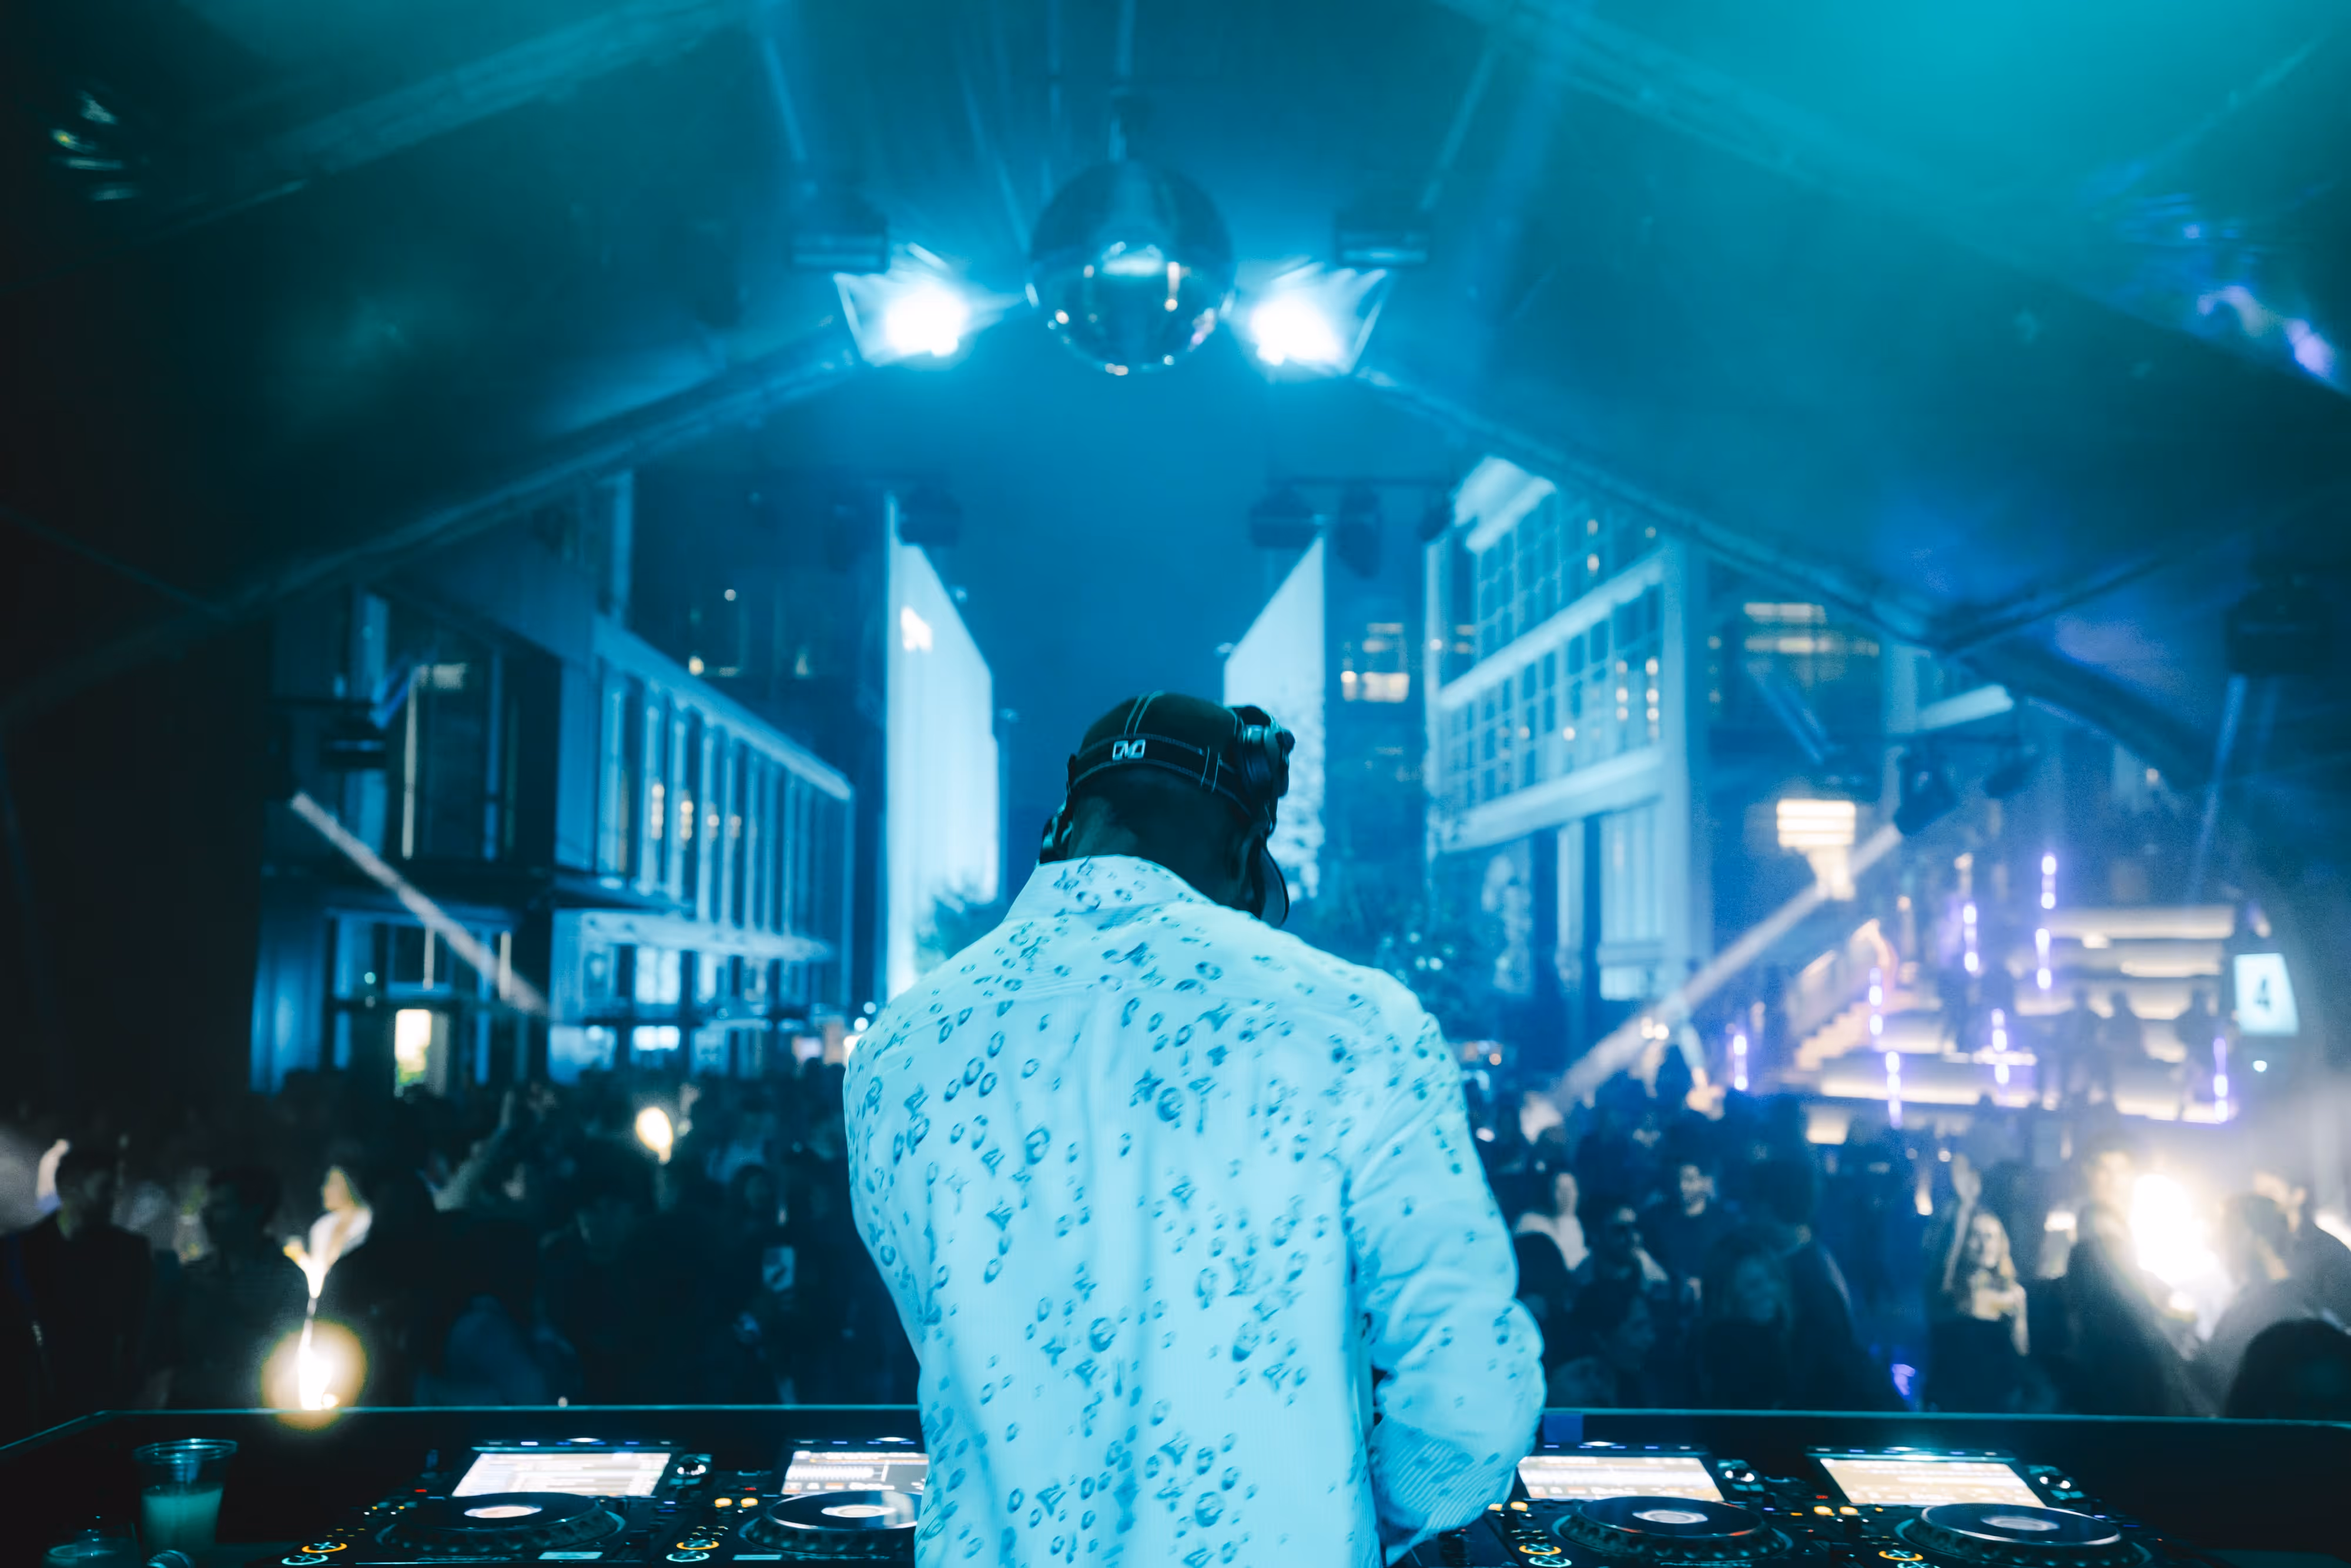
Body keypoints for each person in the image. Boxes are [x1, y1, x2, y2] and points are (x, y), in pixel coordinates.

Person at [845, 694, 1542, 1568]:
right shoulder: (1355, 1023)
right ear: (1250, 859)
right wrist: (1359, 1520)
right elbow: (1472, 1394)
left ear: (1062, 828)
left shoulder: (899, 1048)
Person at [6, 1144, 157, 1425]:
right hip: (32, 1404)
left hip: (103, 1404)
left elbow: (139, 1330)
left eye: (116, 1189)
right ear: (70, 1187)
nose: (114, 1198)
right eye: (105, 1187)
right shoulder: (19, 1252)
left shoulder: (130, 1252)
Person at [165, 1166, 309, 1408]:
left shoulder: (285, 1278)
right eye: (208, 1206)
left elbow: (276, 1354)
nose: (207, 1216)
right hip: (190, 1411)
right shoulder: (193, 1275)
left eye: (221, 1207)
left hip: (252, 1414)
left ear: (254, 1211)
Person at [1925, 1155, 2028, 1412]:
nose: (1985, 1245)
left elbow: (2020, 1358)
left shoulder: (2014, 1295)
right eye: (1976, 1236)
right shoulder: (1947, 1291)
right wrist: (1963, 1208)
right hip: (1952, 1406)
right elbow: (1942, 1265)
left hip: (1998, 1408)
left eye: (1991, 1237)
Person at [1641, 1161, 1730, 1305]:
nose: (1682, 1187)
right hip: (1666, 1301)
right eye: (1677, 1180)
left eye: (1689, 1180)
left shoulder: (1725, 1222)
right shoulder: (1653, 1220)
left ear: (1705, 1181)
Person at [1515, 1165, 1587, 1274]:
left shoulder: (1575, 1223)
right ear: (1549, 1192)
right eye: (1560, 1189)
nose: (1566, 1195)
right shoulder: (1529, 1222)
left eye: (1571, 1189)